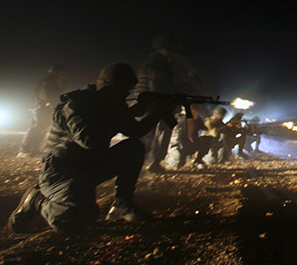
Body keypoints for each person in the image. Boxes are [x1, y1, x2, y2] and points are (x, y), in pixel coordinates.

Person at [7, 63, 171, 233]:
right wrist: (126, 114)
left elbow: (135, 132)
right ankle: (38, 200)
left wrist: (158, 113)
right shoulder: (75, 105)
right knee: (74, 218)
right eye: (123, 89)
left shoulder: (114, 104)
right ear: (108, 87)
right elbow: (89, 140)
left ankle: (122, 204)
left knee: (133, 148)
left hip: (88, 167)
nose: (126, 94)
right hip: (60, 173)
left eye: (129, 90)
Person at [133, 35, 201, 173]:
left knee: (152, 133)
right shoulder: (157, 61)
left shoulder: (157, 60)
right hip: (153, 103)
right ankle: (144, 163)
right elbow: (158, 84)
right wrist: (170, 99)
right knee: (150, 134)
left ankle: (147, 163)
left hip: (152, 102)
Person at [18, 65, 66, 157]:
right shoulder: (46, 81)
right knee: (36, 128)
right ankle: (24, 150)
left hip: (46, 107)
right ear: (54, 71)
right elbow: (45, 94)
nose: (62, 74)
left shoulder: (51, 81)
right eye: (60, 72)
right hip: (42, 107)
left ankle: (34, 149)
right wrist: (47, 102)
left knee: (42, 129)